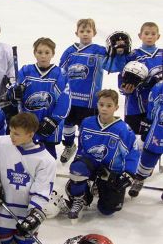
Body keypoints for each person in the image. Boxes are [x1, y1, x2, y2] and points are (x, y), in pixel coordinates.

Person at [64, 90, 139, 219]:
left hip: (110, 171)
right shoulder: (87, 122)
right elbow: (81, 147)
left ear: (116, 107)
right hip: (91, 164)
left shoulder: (123, 129)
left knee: (106, 210)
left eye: (109, 105)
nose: (104, 108)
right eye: (101, 104)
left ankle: (99, 186)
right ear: (97, 104)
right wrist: (78, 167)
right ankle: (80, 197)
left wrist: (129, 173)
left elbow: (133, 152)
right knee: (77, 169)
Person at [0, 113, 56, 244]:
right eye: (11, 131)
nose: (11, 136)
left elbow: (42, 189)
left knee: (24, 243)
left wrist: (33, 217)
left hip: (25, 213)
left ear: (30, 134)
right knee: (2, 243)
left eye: (17, 134)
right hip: (0, 209)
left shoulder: (46, 160)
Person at [59, 18, 119, 163]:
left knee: (86, 128)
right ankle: (69, 146)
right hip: (70, 99)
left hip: (90, 101)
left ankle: (83, 152)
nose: (85, 34)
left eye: (88, 31)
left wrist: (117, 53)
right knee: (67, 124)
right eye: (82, 31)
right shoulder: (70, 51)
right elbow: (61, 72)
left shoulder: (100, 51)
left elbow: (112, 67)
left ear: (94, 33)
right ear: (77, 33)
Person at [9, 37, 71, 158]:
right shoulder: (26, 71)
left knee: (48, 158)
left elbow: (65, 101)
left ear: (53, 54)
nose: (43, 56)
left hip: (49, 124)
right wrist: (14, 92)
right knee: (23, 157)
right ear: (35, 53)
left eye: (47, 52)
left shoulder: (60, 74)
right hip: (27, 123)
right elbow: (13, 93)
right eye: (40, 52)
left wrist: (54, 120)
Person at [118, 22, 162, 135]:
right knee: (134, 140)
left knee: (155, 140)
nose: (149, 36)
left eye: (153, 34)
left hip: (158, 106)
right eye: (146, 33)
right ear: (140, 35)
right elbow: (121, 77)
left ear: (158, 36)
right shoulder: (132, 55)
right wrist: (124, 89)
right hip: (134, 107)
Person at [130, 80, 163, 197]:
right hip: (159, 129)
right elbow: (152, 108)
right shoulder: (159, 87)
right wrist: (147, 126)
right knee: (149, 154)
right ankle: (139, 178)